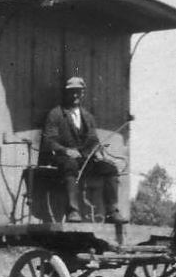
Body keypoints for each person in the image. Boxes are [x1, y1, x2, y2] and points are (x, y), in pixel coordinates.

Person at [40, 76, 121, 224]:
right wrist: (66, 151)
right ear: (66, 93)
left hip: (84, 158)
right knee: (70, 164)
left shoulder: (88, 117)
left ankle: (112, 211)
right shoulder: (56, 114)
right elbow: (49, 141)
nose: (75, 95)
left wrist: (97, 151)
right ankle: (73, 211)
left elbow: (93, 140)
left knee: (109, 168)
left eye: (78, 91)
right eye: (72, 92)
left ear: (83, 93)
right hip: (62, 158)